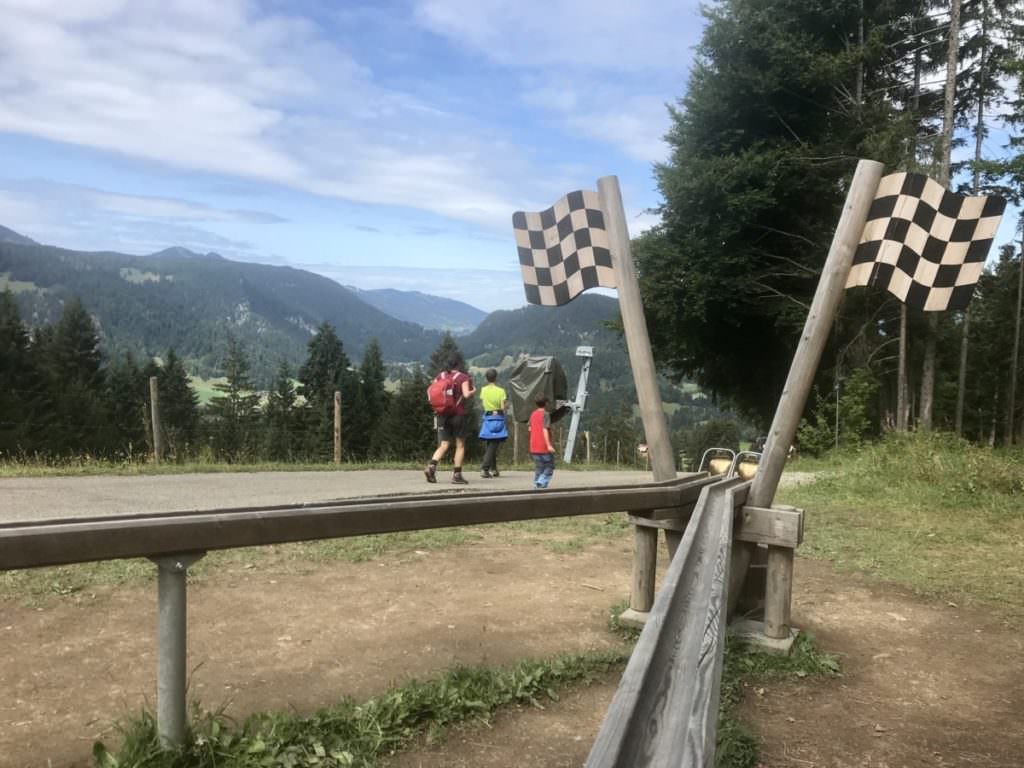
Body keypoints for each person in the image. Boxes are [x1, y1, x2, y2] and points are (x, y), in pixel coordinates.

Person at [425, 353, 476, 485]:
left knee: (444, 444)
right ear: (458, 364)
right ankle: (457, 475)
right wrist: (473, 391)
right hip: (457, 415)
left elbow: (432, 390)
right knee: (460, 445)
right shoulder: (462, 377)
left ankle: (431, 466)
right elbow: (465, 394)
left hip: (442, 414)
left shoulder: (440, 376)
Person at [477, 368, 508, 478]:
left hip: (487, 417)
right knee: (494, 443)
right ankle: (485, 468)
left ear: (486, 378)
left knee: (490, 442)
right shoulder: (501, 391)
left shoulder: (483, 390)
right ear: (496, 377)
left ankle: (493, 469)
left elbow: (483, 402)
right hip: (498, 417)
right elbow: (503, 407)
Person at [529, 392, 555, 489]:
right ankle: (540, 481)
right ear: (546, 403)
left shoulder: (532, 414)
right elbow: (545, 429)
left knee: (539, 468)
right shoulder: (546, 415)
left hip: (533, 446)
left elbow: (530, 429)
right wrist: (548, 445)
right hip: (543, 446)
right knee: (549, 466)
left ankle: (537, 486)